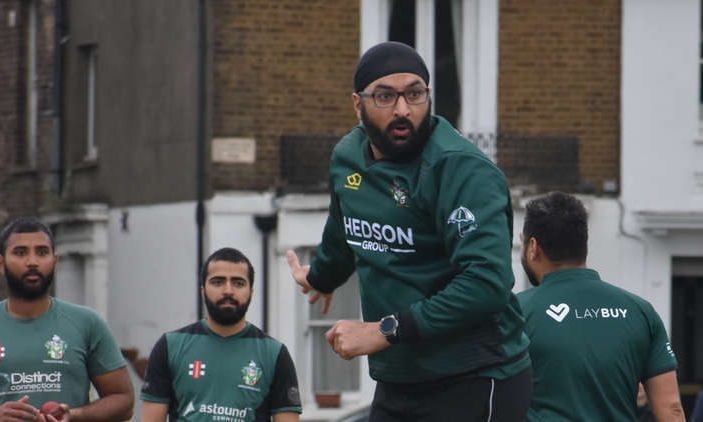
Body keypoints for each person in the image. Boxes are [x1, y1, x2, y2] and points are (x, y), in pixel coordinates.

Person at [286, 41, 531, 421]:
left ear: (429, 96)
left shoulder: (460, 169)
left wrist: (383, 331)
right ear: (358, 104)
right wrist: (321, 276)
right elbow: (343, 230)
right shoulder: (347, 158)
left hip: (476, 375)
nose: (403, 110)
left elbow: (487, 282)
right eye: (385, 96)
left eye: (414, 94)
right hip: (399, 378)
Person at [517, 192, 685, 421]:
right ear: (583, 244)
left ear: (532, 246)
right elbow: (672, 409)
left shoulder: (515, 312)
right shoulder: (640, 311)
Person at [0, 216, 134, 421]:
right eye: (20, 253)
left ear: (54, 261)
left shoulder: (87, 323)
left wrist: (75, 415)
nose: (32, 262)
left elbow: (124, 402)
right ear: (1, 263)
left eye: (42, 252)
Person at [141, 247, 302, 422]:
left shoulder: (274, 353)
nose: (228, 290)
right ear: (203, 291)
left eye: (238, 283)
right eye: (218, 282)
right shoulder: (170, 346)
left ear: (251, 292)